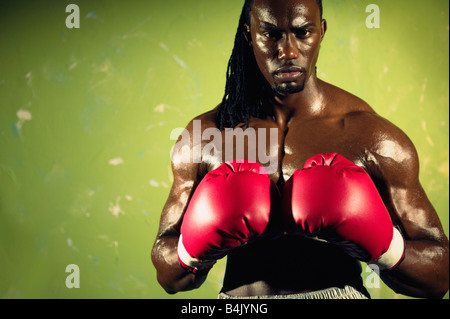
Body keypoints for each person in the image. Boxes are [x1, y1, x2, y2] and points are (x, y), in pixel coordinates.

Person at [151, 0, 449, 299]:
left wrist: (386, 247)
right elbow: (170, 277)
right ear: (248, 34)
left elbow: (439, 277)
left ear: (321, 31)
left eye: (303, 32)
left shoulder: (371, 136)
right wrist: (191, 251)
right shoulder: (208, 135)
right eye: (270, 34)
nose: (288, 52)